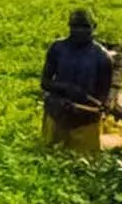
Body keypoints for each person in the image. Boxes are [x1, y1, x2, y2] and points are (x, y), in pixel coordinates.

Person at [41, 8, 114, 154]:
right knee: (49, 158)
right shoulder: (57, 48)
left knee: (82, 165)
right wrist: (64, 89)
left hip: (85, 122)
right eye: (75, 26)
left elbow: (101, 100)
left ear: (94, 28)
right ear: (69, 27)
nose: (79, 31)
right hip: (56, 114)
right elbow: (45, 82)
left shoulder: (103, 58)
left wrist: (80, 108)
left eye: (85, 27)